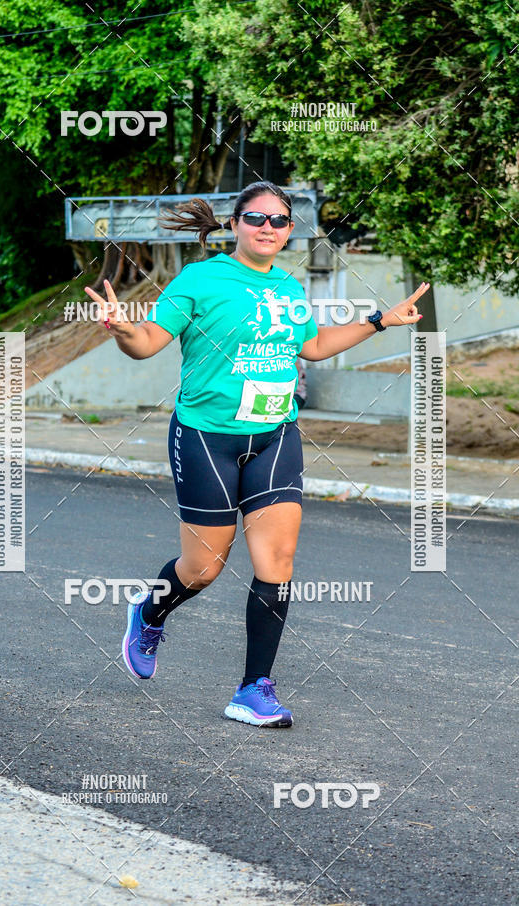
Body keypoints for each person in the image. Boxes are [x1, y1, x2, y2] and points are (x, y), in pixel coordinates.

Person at [85, 181, 427, 728]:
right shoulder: (201, 278)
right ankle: (149, 612)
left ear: (290, 231)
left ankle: (252, 689)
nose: (268, 227)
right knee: (203, 569)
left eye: (280, 221)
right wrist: (124, 329)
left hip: (274, 435)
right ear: (235, 224)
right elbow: (148, 341)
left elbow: (310, 346)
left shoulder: (290, 288)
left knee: (279, 562)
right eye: (256, 218)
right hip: (206, 437)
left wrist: (380, 321)